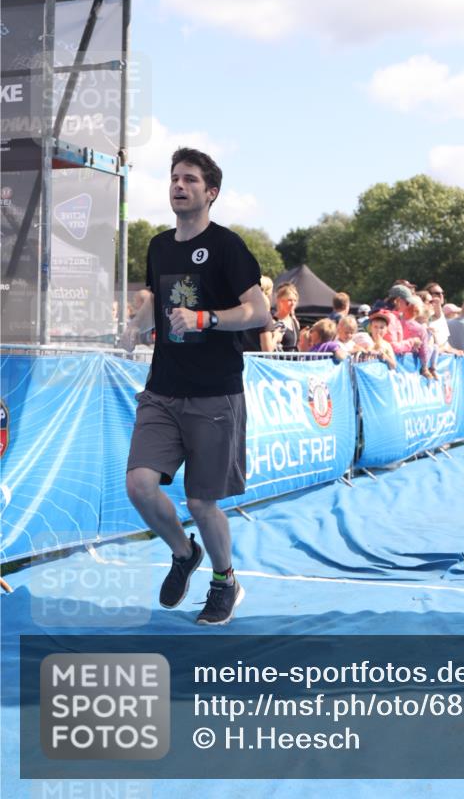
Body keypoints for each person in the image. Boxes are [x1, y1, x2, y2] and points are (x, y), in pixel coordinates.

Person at [120, 147, 267, 625]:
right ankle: (185, 554)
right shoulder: (160, 246)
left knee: (202, 501)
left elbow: (259, 312)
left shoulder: (227, 246)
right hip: (162, 388)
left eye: (190, 180)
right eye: (174, 178)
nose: (179, 186)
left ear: (211, 192)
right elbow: (152, 296)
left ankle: (226, 581)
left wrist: (206, 317)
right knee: (140, 486)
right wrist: (136, 321)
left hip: (215, 393)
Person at [274, 283, 300, 352]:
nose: (293, 303)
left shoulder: (295, 322)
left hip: (294, 361)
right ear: (280, 301)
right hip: (279, 361)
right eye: (289, 300)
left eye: (295, 300)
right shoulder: (273, 321)